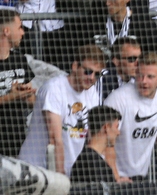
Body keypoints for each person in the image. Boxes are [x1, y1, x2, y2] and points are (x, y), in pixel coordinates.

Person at [19, 44, 105, 175]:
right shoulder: (54, 88)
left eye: (97, 74)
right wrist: (61, 177)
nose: (92, 77)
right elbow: (55, 140)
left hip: (70, 170)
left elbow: (94, 136)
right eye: (88, 71)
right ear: (75, 66)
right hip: (36, 169)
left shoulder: (92, 92)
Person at [104, 53, 157, 179]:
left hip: (141, 176)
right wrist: (116, 178)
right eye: (140, 75)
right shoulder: (118, 99)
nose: (144, 81)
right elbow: (106, 142)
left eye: (150, 77)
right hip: (113, 175)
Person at [0, 10, 34, 158]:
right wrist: (10, 96)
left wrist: (26, 94)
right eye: (19, 27)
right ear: (6, 31)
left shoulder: (20, 60)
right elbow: (10, 97)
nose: (23, 33)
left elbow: (32, 102)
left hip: (17, 137)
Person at [70, 105, 121, 184]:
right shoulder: (92, 164)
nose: (118, 132)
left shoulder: (88, 158)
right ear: (106, 128)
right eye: (116, 127)